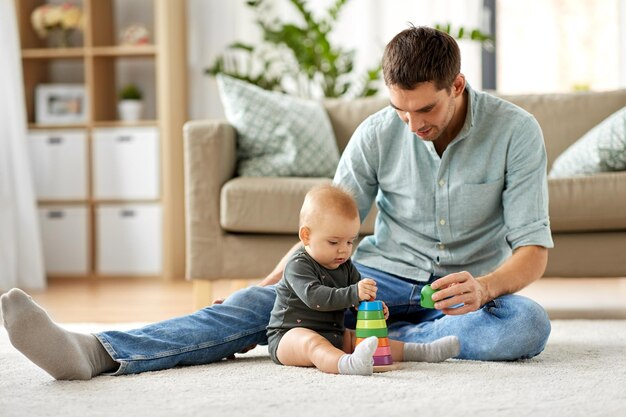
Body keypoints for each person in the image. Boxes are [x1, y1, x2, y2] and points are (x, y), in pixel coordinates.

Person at [0, 25, 553, 381]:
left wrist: (485, 286)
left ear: (457, 85)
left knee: (525, 325)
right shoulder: (378, 132)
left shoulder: (516, 132)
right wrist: (277, 282)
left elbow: (532, 249)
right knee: (267, 304)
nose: (412, 126)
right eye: (400, 111)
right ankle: (98, 352)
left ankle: (366, 341)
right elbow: (327, 228)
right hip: (371, 282)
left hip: (459, 296)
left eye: (424, 110)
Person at [267, 184, 459, 375]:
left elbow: (357, 302)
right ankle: (348, 364)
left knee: (365, 338)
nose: (344, 249)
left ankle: (423, 351)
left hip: (333, 334)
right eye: (334, 242)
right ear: (306, 236)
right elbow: (315, 298)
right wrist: (354, 293)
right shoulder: (298, 264)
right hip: (289, 337)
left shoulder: (345, 266)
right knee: (312, 342)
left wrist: (373, 307)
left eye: (350, 241)